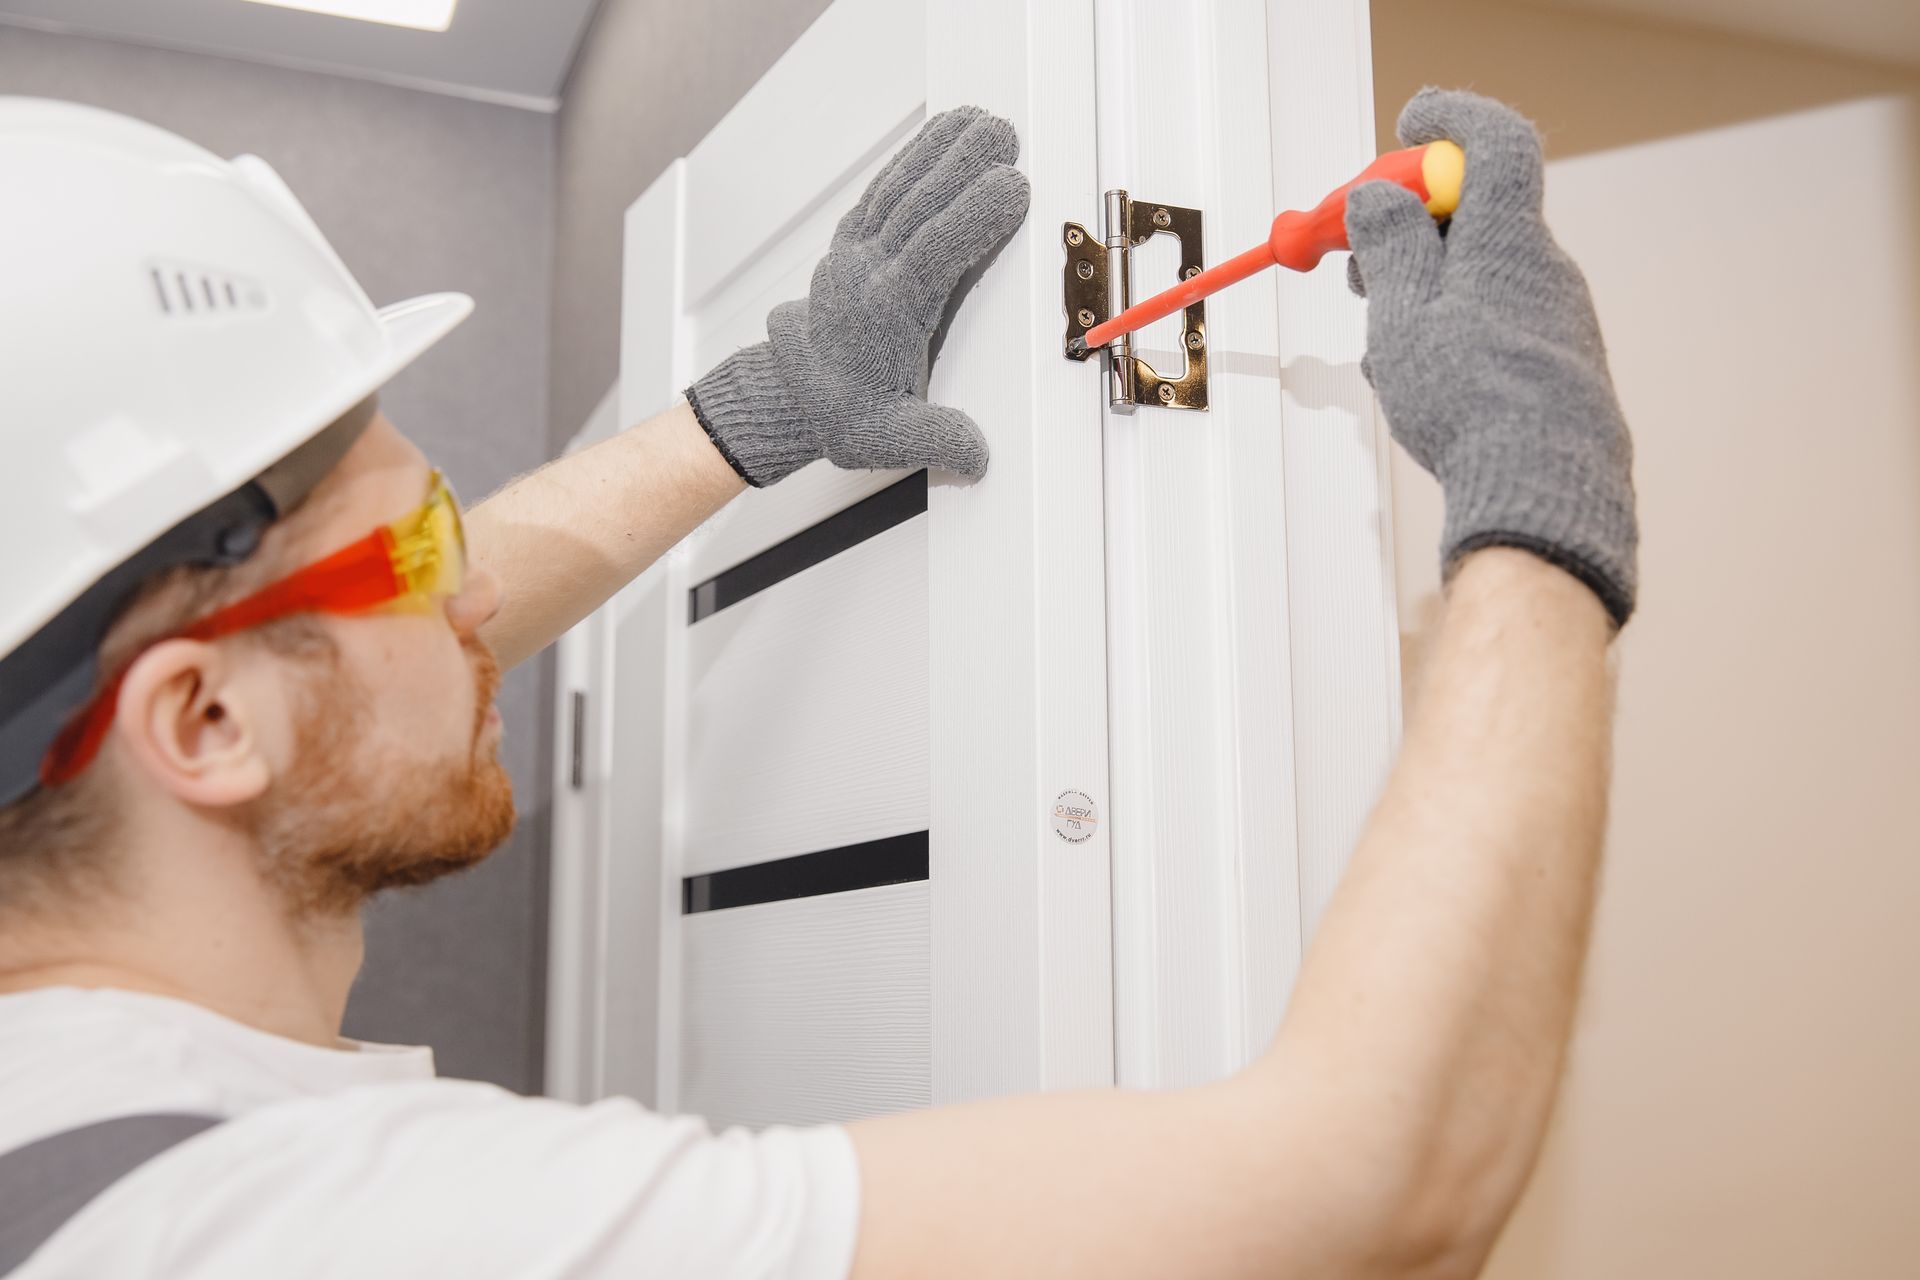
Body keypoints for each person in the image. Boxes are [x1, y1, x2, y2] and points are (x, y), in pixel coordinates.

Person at [0, 85, 1634, 1279]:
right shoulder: (301, 1233)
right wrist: (1536, 493)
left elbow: (321, 662)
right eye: (423, 547)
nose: (476, 586)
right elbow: (1375, 1185)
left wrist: (760, 408)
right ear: (200, 723)